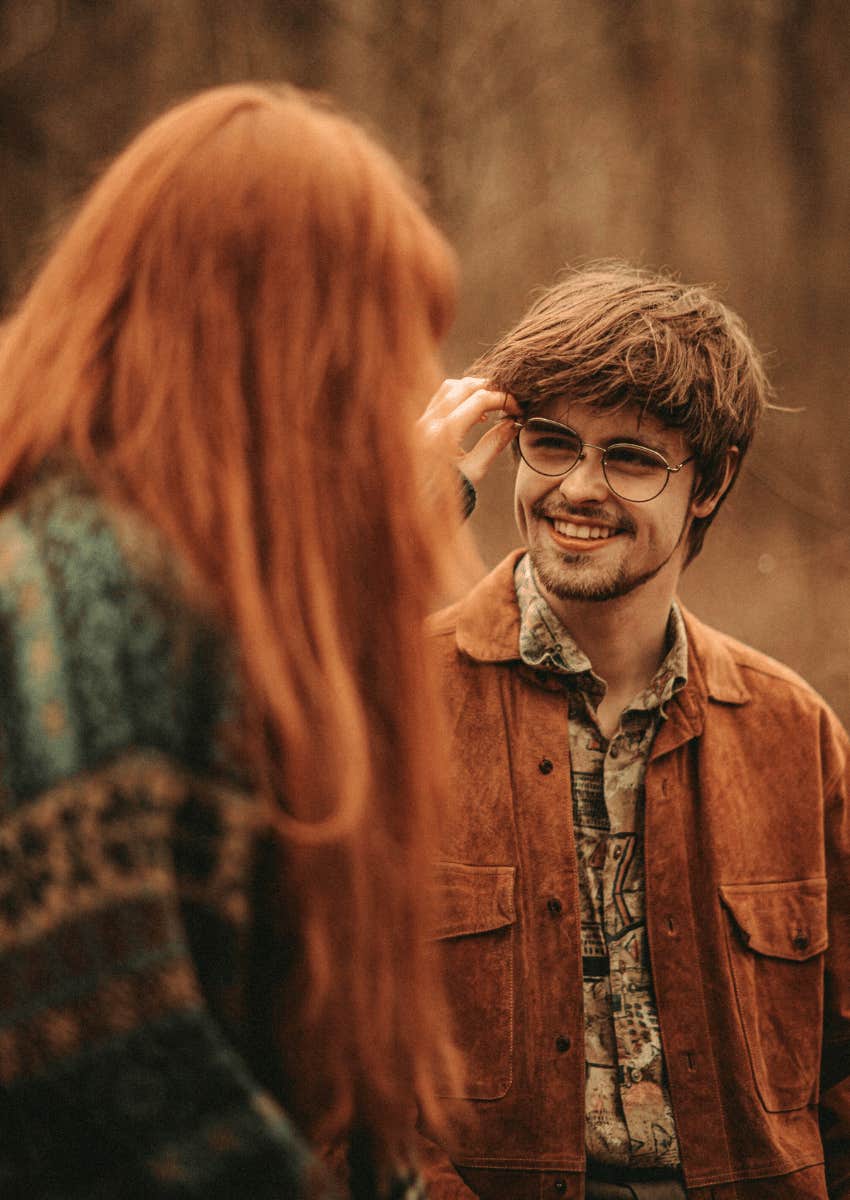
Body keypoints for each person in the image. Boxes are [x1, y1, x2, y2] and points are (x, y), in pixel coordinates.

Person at [0, 83, 462, 1199]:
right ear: (275, 341)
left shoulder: (183, 574)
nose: (408, 384)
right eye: (383, 337)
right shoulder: (79, 574)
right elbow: (101, 1035)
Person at [417, 263, 850, 1200]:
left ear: (708, 482)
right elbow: (308, 1048)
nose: (578, 488)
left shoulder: (792, 733)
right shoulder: (396, 699)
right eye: (551, 443)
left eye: (631, 457)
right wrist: (402, 511)